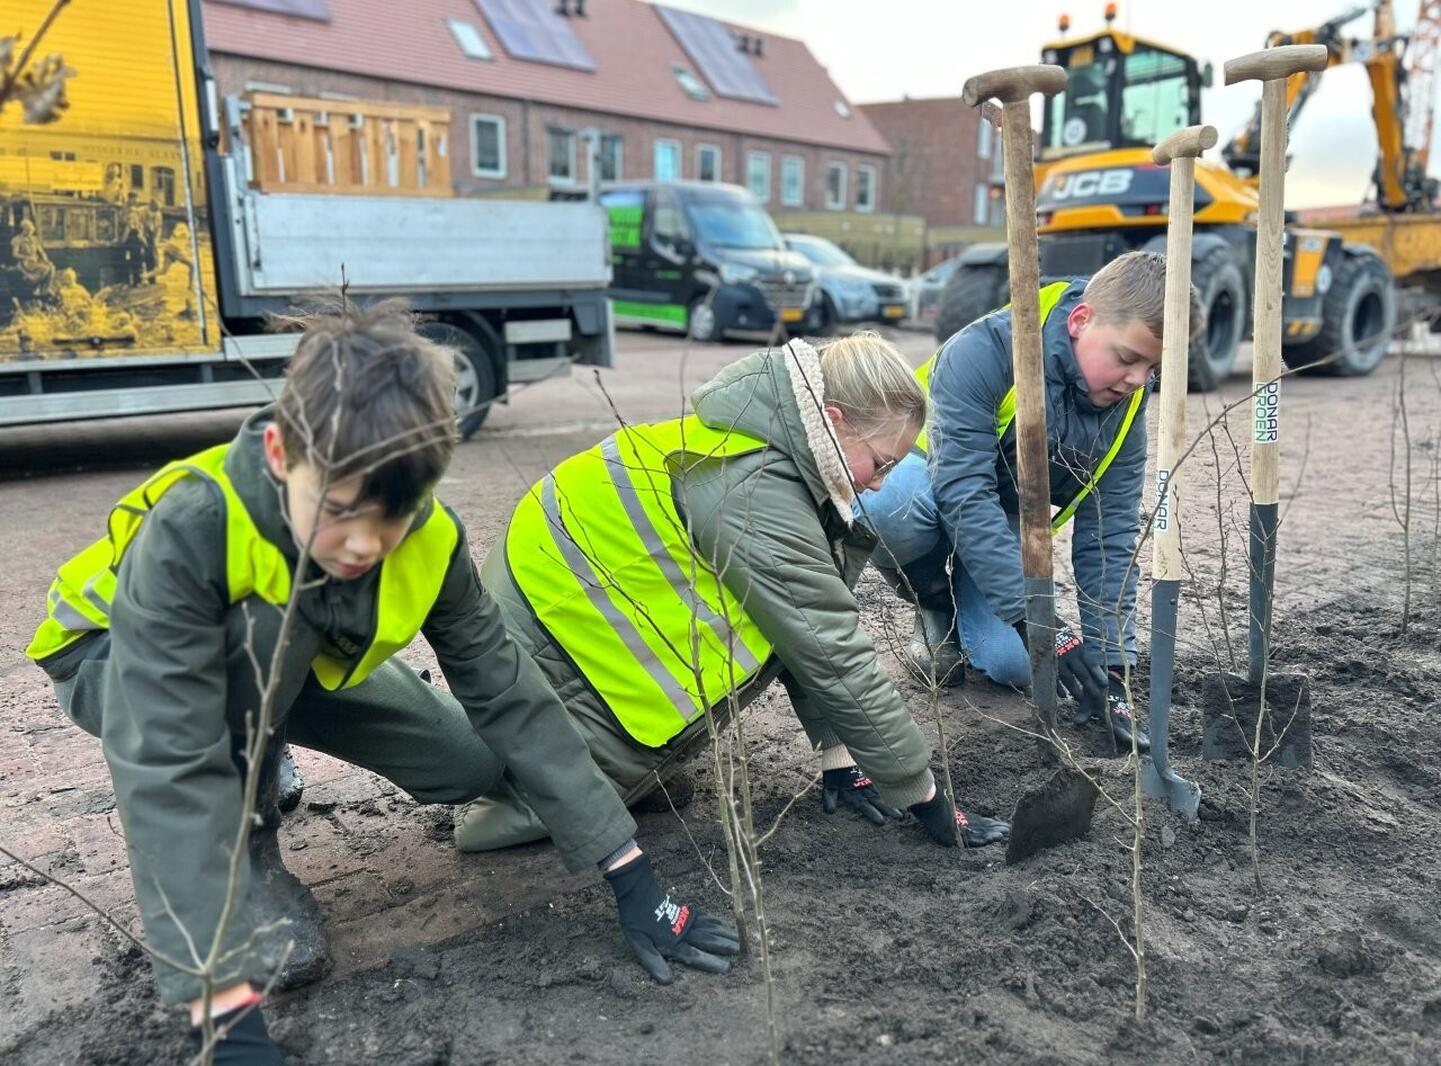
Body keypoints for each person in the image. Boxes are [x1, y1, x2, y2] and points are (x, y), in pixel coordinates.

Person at [25, 301, 738, 1064]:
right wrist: (223, 1009)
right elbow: (163, 758)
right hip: (117, 664)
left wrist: (630, 874)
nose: (364, 545)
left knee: (470, 762)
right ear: (276, 452)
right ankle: (252, 849)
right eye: (338, 512)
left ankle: (271, 735)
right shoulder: (199, 521)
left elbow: (510, 696)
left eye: (391, 520)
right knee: (262, 644)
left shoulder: (428, 532)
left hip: (290, 659)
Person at [454, 331, 1010, 858]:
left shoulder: (765, 447)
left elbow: (803, 623)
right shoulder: (753, 488)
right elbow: (828, 648)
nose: (881, 482)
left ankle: (612, 769)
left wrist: (842, 755)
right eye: (881, 461)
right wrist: (927, 798)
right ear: (834, 421)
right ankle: (510, 785)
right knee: (529, 813)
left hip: (555, 658)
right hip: (539, 685)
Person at [861, 250, 1204, 752]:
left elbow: (1109, 534)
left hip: (999, 525)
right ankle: (933, 603)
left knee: (1016, 665)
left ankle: (973, 610)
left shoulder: (1126, 409)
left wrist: (1110, 668)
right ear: (1081, 321)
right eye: (1128, 358)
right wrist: (1037, 617)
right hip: (928, 481)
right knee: (889, 505)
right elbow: (962, 491)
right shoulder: (988, 350)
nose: (1136, 380)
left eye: (1153, 368)